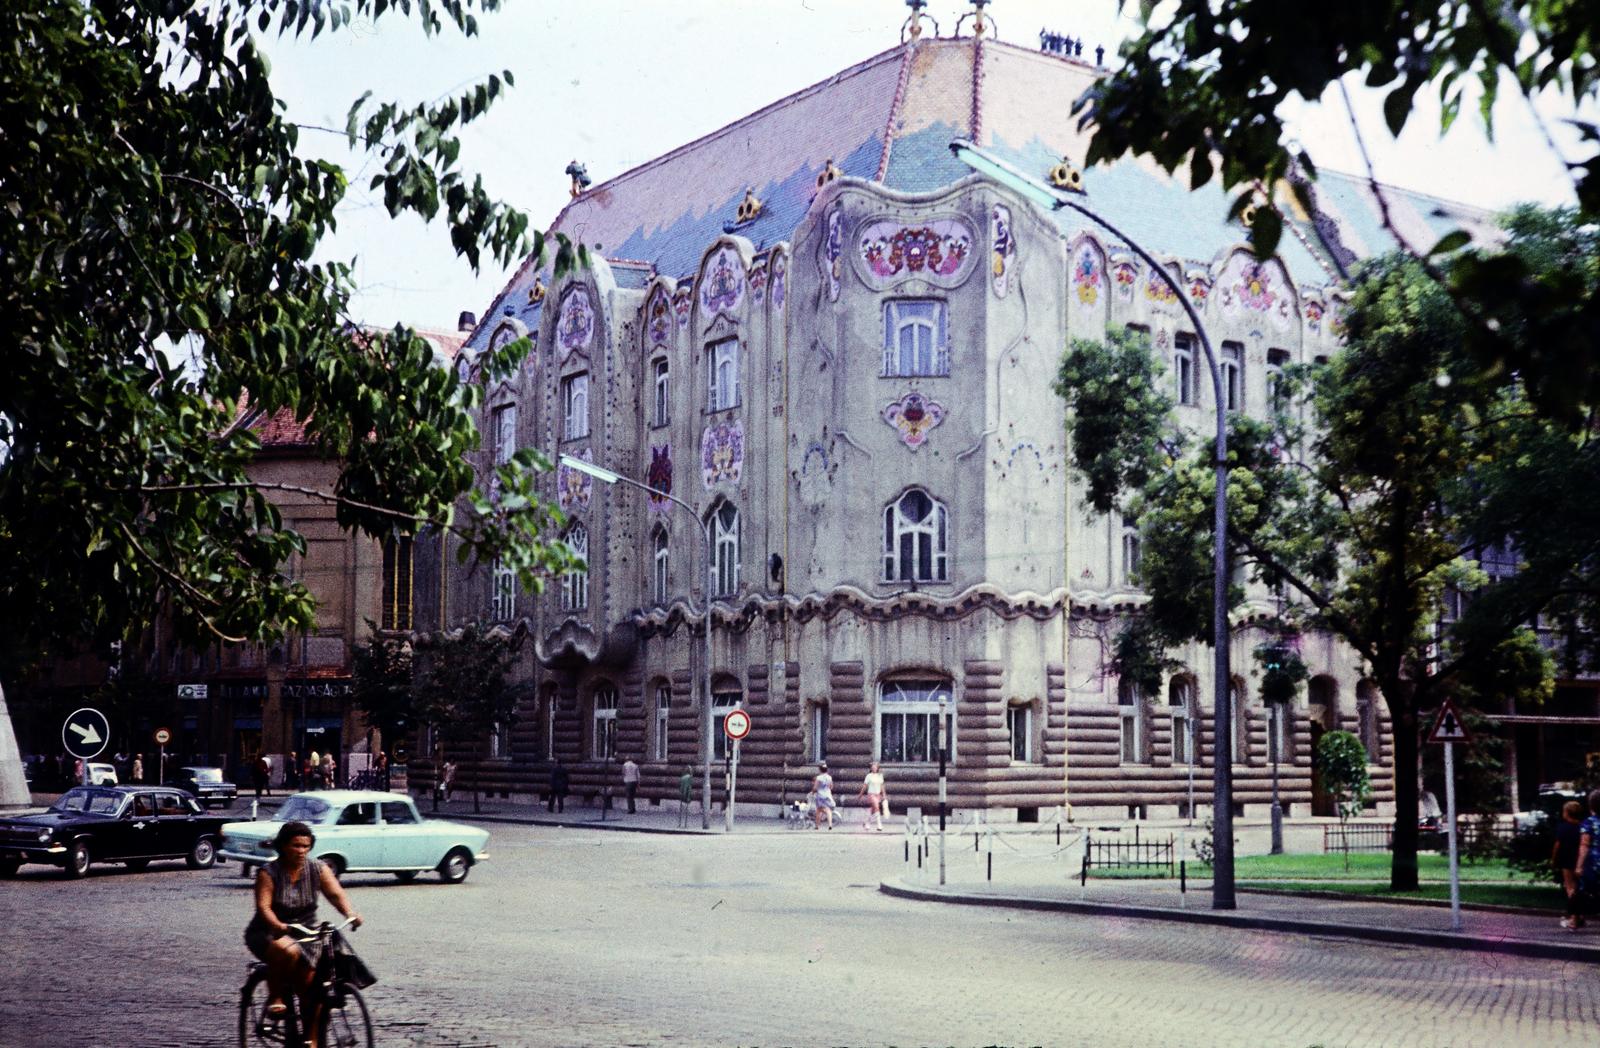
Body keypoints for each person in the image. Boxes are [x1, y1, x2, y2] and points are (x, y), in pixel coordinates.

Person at [243, 821, 364, 1046]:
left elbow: (335, 894)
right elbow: (264, 907)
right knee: (288, 951)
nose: (301, 851)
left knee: (312, 987)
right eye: (296, 845)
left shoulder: (318, 868)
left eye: (306, 846)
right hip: (268, 930)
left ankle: (310, 1039)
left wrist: (350, 913)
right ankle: (276, 996)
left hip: (307, 931)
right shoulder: (268, 872)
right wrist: (277, 924)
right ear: (283, 846)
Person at [1553, 799, 1586, 930]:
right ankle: (1581, 915)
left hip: (1566, 859)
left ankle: (1574, 917)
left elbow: (1557, 845)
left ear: (1566, 813)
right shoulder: (1582, 827)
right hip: (1579, 860)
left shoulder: (1563, 828)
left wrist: (1554, 859)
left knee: (1570, 888)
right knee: (1579, 888)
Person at [1575, 790, 1600, 927]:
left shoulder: (1589, 823)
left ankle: (1577, 919)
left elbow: (1584, 845)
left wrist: (1579, 866)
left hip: (1593, 862)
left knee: (1584, 890)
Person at [857, 761, 888, 831]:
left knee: (873, 810)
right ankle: (879, 825)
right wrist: (860, 794)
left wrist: (884, 795)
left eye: (875, 767)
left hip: (878, 795)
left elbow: (882, 786)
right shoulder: (869, 776)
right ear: (871, 768)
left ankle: (867, 823)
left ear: (877, 768)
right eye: (873, 767)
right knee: (877, 807)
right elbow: (864, 786)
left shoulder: (880, 776)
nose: (874, 768)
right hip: (871, 794)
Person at [812, 761, 835, 830]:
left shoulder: (818, 778)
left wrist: (812, 792)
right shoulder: (829, 777)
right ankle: (830, 825)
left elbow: (815, 787)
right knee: (828, 810)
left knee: (818, 810)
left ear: (820, 770)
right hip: (828, 795)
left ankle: (817, 826)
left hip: (820, 795)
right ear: (826, 770)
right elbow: (831, 787)